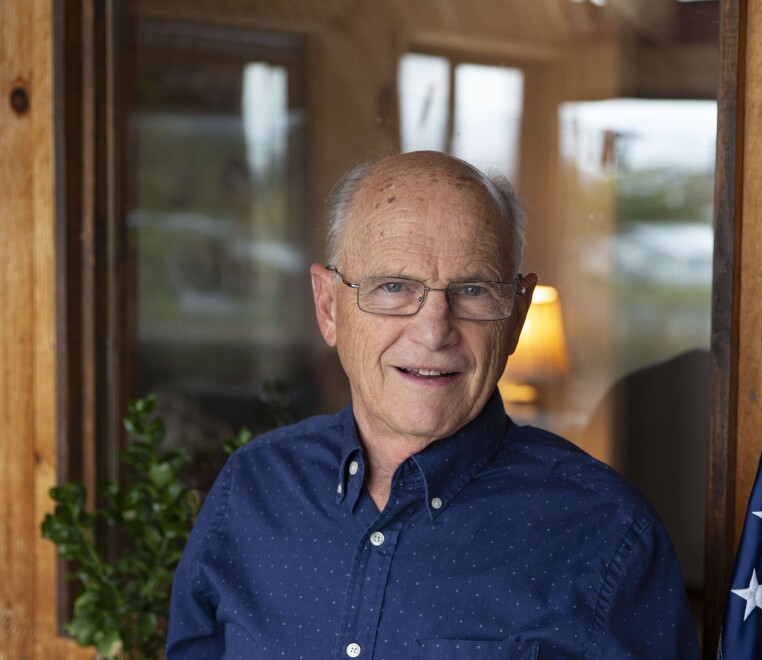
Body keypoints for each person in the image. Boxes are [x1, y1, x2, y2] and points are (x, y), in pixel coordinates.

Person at [166, 151, 699, 659]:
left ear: (515, 318)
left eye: (472, 290)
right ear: (328, 307)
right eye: (394, 286)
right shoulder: (253, 489)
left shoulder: (606, 532)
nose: (434, 330)